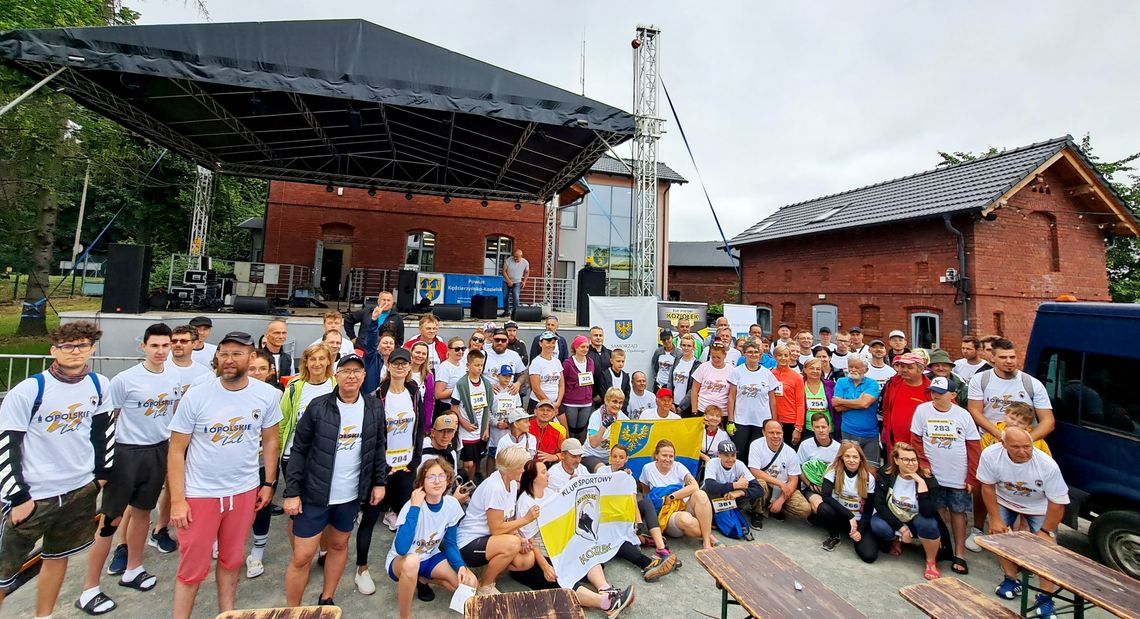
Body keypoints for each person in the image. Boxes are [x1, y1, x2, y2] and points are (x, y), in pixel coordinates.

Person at [167, 331, 282, 619]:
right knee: (192, 569)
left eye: (237, 354)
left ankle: (227, 613)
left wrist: (268, 483)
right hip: (200, 494)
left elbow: (270, 441)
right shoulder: (197, 394)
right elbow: (176, 450)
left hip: (243, 492)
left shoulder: (266, 395)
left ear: (251, 356)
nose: (229, 360)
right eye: (224, 354)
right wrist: (178, 500)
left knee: (232, 561)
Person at [0, 322, 112, 617]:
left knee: (57, 558)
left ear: (92, 348)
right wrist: (18, 496)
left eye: (83, 346)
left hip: (78, 490)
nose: (76, 352)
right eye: (68, 346)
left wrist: (101, 476)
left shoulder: (99, 385)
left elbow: (103, 432)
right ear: (54, 350)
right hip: (35, 494)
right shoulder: (30, 390)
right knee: (3, 571)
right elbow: (6, 442)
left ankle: (44, 615)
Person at [79, 324, 181, 614]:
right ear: (144, 347)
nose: (161, 351)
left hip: (158, 451)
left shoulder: (174, 377)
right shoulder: (125, 380)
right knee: (110, 519)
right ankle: (90, 587)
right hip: (126, 453)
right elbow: (110, 420)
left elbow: (171, 415)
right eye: (155, 346)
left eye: (166, 346)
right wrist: (105, 462)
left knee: (142, 513)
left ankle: (134, 569)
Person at [284, 353, 386, 606]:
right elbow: (299, 450)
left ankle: (327, 598)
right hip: (314, 494)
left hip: (350, 495)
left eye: (357, 371)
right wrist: (292, 492)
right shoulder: (318, 407)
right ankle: (292, 609)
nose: (351, 375)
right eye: (346, 370)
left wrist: (379, 481)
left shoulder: (373, 407)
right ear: (336, 375)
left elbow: (378, 447)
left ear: (364, 376)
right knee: (302, 555)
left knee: (339, 545)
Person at [513, 459, 637, 617]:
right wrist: (545, 567)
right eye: (543, 472)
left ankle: (606, 588)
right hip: (545, 554)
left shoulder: (550, 493)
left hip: (560, 545)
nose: (548, 474)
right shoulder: (526, 502)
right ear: (533, 478)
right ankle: (606, 602)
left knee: (586, 551)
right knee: (562, 580)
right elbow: (531, 540)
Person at [977, 427, 1069, 615]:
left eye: (1027, 446)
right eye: (1016, 447)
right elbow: (986, 487)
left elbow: (1058, 503)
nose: (1022, 451)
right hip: (1005, 500)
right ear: (1003, 445)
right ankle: (1011, 579)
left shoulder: (1047, 465)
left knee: (1047, 550)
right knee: (999, 537)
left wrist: (1046, 532)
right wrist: (994, 518)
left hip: (1040, 507)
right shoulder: (990, 455)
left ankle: (1045, 597)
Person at [909, 376, 980, 576]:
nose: (935, 396)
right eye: (933, 392)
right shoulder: (922, 410)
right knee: (938, 512)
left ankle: (960, 553)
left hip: (958, 474)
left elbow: (974, 447)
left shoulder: (963, 415)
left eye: (940, 393)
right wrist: (922, 464)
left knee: (958, 514)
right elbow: (916, 440)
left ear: (953, 395)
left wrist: (971, 477)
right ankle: (940, 548)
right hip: (934, 475)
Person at [387, 459, 474, 618]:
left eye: (441, 476)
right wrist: (414, 508)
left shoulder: (452, 504)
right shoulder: (411, 506)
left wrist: (461, 566)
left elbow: (450, 544)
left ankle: (423, 579)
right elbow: (401, 549)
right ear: (422, 482)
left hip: (429, 556)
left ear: (448, 479)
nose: (437, 481)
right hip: (402, 560)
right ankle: (404, 616)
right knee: (412, 562)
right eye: (431, 477)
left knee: (470, 582)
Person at [457, 446, 537, 595]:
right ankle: (485, 585)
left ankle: (488, 570)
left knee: (526, 559)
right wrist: (526, 520)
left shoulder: (512, 484)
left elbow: (508, 518)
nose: (524, 470)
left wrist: (521, 537)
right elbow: (497, 528)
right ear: (511, 468)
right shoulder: (495, 488)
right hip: (469, 543)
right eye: (522, 467)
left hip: (489, 539)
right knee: (512, 544)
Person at [278, 344, 337, 536]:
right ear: (306, 362)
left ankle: (322, 550)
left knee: (325, 507)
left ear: (329, 361)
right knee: (297, 509)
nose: (317, 363)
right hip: (295, 456)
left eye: (321, 358)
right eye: (313, 359)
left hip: (326, 458)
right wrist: (279, 450)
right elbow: (283, 421)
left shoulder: (336, 384)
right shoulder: (295, 387)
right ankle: (299, 554)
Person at [596, 444, 677, 574]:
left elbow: (633, 502)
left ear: (626, 459)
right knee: (618, 540)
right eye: (614, 456)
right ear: (610, 457)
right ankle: (648, 559)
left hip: (622, 516)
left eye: (621, 457)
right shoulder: (602, 472)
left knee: (645, 505)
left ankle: (657, 550)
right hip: (606, 518)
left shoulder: (629, 478)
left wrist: (638, 522)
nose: (617, 460)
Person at [866, 442, 943, 577]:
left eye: (913, 459)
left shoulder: (928, 479)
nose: (911, 463)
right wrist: (901, 528)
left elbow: (928, 512)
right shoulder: (885, 474)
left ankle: (931, 561)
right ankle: (896, 538)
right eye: (905, 459)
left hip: (916, 518)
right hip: (894, 515)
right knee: (877, 524)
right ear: (896, 460)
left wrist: (921, 484)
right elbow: (880, 505)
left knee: (929, 524)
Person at [967, 338, 1054, 441]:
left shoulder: (1032, 384)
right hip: (990, 439)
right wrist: (999, 435)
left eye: (1012, 357)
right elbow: (975, 411)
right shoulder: (980, 379)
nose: (1009, 361)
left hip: (1023, 442)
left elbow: (1048, 421)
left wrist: (1025, 440)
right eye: (1003, 357)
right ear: (992, 358)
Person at [638, 440, 718, 549]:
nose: (668, 459)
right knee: (685, 519)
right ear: (656, 455)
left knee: (701, 494)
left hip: (682, 504)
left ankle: (707, 543)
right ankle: (709, 534)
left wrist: (672, 496)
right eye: (664, 455)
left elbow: (694, 486)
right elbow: (645, 492)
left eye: (671, 456)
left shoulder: (678, 466)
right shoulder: (647, 468)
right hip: (667, 514)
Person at [748, 419, 813, 527]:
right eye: (771, 432)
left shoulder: (790, 452)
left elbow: (793, 480)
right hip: (767, 485)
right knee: (759, 484)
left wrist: (781, 500)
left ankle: (778, 508)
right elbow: (754, 471)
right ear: (764, 432)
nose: (775, 436)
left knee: (804, 509)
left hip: (782, 489)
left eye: (778, 433)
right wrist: (780, 483)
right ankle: (757, 512)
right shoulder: (756, 445)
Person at [815, 441, 876, 556]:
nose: (851, 460)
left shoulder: (869, 478)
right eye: (847, 456)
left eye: (855, 457)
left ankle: (856, 533)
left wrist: (860, 531)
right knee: (823, 508)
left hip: (859, 520)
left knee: (869, 556)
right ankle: (834, 535)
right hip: (842, 515)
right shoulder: (833, 471)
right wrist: (849, 515)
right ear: (841, 457)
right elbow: (826, 496)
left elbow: (869, 508)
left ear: (861, 459)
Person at [727, 340, 779, 463]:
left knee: (756, 454)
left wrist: (774, 421)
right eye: (749, 352)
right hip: (741, 420)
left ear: (760, 354)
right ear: (744, 354)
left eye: (756, 352)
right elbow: (731, 397)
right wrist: (730, 420)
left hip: (761, 421)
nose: (753, 355)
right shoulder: (737, 371)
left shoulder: (767, 374)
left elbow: (772, 400)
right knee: (740, 453)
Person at [702, 441, 763, 538]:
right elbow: (710, 486)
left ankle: (756, 514)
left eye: (733, 455)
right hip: (713, 498)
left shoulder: (739, 464)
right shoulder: (712, 463)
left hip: (732, 498)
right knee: (704, 493)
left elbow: (759, 489)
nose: (730, 459)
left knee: (760, 484)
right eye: (726, 455)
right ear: (719, 455)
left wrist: (741, 492)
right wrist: (735, 485)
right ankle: (712, 518)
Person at [449, 348, 493, 482]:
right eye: (476, 365)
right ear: (468, 366)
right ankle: (464, 485)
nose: (479, 368)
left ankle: (470, 484)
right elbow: (454, 407)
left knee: (475, 461)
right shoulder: (462, 384)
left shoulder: (486, 384)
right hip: (466, 429)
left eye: (481, 365)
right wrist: (464, 423)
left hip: (479, 429)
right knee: (467, 463)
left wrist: (485, 428)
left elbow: (487, 408)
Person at [831, 355, 883, 468]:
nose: (853, 370)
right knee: (848, 467)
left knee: (871, 469)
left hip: (870, 434)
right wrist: (859, 402)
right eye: (850, 366)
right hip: (848, 431)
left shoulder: (872, 384)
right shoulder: (841, 382)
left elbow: (864, 404)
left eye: (857, 367)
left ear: (866, 370)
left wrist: (843, 401)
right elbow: (836, 406)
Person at [880, 353, 931, 455]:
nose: (904, 370)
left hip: (922, 448)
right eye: (902, 366)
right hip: (895, 445)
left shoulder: (931, 389)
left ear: (920, 370)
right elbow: (886, 409)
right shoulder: (893, 384)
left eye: (909, 367)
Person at [797, 413, 841, 514]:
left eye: (823, 427)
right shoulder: (805, 445)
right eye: (817, 427)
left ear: (829, 427)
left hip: (831, 488)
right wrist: (810, 484)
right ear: (812, 428)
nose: (821, 430)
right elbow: (798, 467)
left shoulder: (838, 448)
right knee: (820, 507)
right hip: (811, 487)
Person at [979, 401, 1052, 455]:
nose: (1015, 423)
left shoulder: (1036, 440)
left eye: (1021, 423)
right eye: (1012, 418)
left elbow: (1046, 457)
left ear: (1028, 425)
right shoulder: (992, 432)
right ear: (1006, 414)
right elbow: (981, 451)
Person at [582, 388, 629, 472]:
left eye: (620, 403)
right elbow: (593, 444)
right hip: (591, 455)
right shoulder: (596, 416)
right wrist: (604, 426)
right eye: (614, 401)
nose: (617, 406)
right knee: (603, 471)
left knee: (624, 473)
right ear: (606, 401)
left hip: (611, 457)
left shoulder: (622, 416)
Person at [562, 335, 597, 441]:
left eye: (587, 347)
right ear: (576, 347)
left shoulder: (590, 362)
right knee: (571, 430)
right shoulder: (568, 363)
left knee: (581, 430)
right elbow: (563, 381)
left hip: (586, 403)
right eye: (582, 347)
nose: (585, 349)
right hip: (571, 402)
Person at [770, 345, 806, 446]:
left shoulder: (797, 377)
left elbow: (800, 404)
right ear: (774, 356)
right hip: (773, 420)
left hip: (791, 421)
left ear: (790, 357)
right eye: (779, 355)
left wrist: (798, 428)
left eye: (786, 355)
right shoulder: (769, 374)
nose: (783, 358)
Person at [690, 341, 734, 418]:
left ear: (725, 355)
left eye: (718, 357)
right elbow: (694, 390)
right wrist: (694, 411)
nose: (715, 360)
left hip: (722, 413)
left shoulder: (731, 370)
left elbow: (732, 395)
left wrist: (730, 418)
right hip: (702, 410)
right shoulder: (703, 367)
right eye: (713, 357)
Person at [529, 331, 566, 418]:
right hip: (539, 402)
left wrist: (558, 402)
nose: (551, 345)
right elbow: (536, 388)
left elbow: (561, 385)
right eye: (548, 342)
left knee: (563, 430)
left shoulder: (557, 362)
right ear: (540, 343)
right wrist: (549, 405)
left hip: (556, 403)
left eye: (553, 343)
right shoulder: (536, 362)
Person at [669, 334, 701, 417]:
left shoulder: (697, 365)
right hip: (673, 405)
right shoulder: (677, 360)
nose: (686, 348)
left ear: (693, 347)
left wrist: (681, 407)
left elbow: (693, 389)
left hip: (687, 407)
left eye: (689, 346)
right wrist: (670, 402)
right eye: (684, 345)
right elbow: (670, 382)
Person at [409, 340, 437, 433]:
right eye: (417, 352)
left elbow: (429, 400)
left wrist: (427, 424)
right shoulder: (404, 371)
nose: (420, 356)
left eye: (423, 354)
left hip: (420, 418)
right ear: (411, 352)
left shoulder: (428, 375)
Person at [802, 358, 835, 435]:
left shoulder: (830, 386)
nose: (815, 371)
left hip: (827, 428)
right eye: (811, 368)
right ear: (805, 369)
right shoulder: (800, 385)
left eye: (818, 369)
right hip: (807, 428)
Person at [433, 336, 467, 412]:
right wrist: (460, 389)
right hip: (448, 408)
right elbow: (438, 394)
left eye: (463, 349)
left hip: (461, 407)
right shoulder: (444, 367)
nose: (460, 352)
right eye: (457, 349)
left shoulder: (463, 364)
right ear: (449, 350)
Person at [530, 400, 566, 466]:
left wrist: (555, 457)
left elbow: (567, 453)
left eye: (549, 410)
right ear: (535, 411)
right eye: (542, 410)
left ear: (554, 414)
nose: (545, 413)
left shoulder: (557, 433)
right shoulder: (526, 427)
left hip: (547, 466)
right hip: (525, 465)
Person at [502, 248, 530, 317]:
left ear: (521, 256)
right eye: (514, 256)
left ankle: (515, 312)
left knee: (516, 296)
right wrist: (509, 280)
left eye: (517, 257)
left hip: (517, 282)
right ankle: (506, 312)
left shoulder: (525, 262)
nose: (515, 258)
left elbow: (527, 272)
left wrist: (524, 281)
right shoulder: (508, 260)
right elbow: (504, 271)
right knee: (505, 297)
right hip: (506, 281)